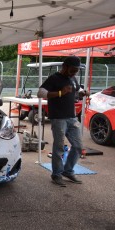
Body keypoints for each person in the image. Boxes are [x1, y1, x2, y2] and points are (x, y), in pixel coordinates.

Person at [37, 56, 90, 187]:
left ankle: (68, 171)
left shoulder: (72, 78)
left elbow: (75, 92)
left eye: (76, 71)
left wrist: (82, 93)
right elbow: (41, 93)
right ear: (64, 67)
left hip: (71, 117)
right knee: (59, 147)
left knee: (78, 147)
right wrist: (60, 93)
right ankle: (56, 175)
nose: (74, 73)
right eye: (72, 70)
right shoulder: (54, 78)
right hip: (58, 118)